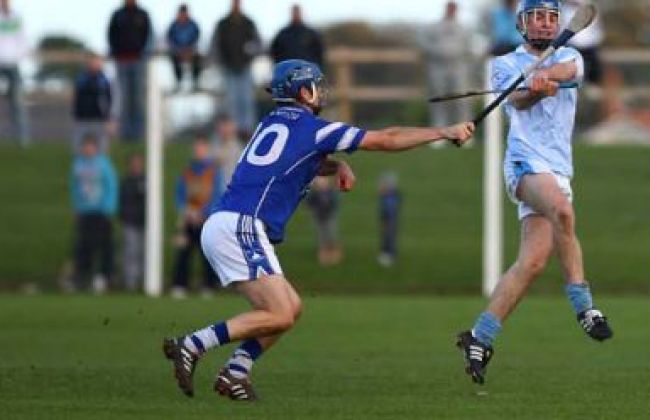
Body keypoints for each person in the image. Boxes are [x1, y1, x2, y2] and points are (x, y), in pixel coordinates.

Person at [162, 58, 473, 401]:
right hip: (241, 225)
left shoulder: (270, 123)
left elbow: (298, 160)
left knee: (290, 308)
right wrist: (442, 132)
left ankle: (236, 372)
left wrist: (336, 164)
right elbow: (386, 138)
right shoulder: (315, 128)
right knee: (278, 312)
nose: (322, 92)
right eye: (316, 85)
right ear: (303, 91)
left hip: (227, 223)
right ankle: (192, 344)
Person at [456, 0, 612, 386]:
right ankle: (584, 306)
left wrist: (548, 77)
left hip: (560, 168)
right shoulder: (503, 64)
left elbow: (566, 73)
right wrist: (532, 89)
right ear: (521, 24)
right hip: (525, 163)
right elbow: (520, 103)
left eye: (550, 18)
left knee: (532, 264)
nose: (544, 23)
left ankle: (479, 337)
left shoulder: (572, 56)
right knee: (561, 210)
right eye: (536, 18)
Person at [171, 135, 224, 298]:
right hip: (189, 218)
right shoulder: (187, 172)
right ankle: (180, 284)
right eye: (196, 148)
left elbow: (216, 195)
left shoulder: (213, 172)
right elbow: (179, 194)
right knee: (183, 252)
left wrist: (203, 212)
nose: (198, 151)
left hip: (205, 219)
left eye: (201, 148)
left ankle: (208, 285)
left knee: (207, 253)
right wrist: (185, 210)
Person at [70, 133, 118, 293]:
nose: (88, 149)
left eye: (90, 146)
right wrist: (77, 207)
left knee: (104, 245)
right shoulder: (78, 164)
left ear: (96, 148)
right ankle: (83, 277)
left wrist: (109, 207)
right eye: (85, 146)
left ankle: (104, 277)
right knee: (84, 246)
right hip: (85, 211)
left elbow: (111, 185)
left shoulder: (103, 164)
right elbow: (74, 187)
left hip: (101, 211)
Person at [420, 0, 475, 140]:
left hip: (458, 66)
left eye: (453, 8)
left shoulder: (463, 28)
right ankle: (437, 134)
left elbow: (470, 45)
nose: (451, 11)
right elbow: (424, 43)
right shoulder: (434, 27)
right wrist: (438, 51)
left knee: (462, 99)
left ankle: (465, 132)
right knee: (439, 99)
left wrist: (460, 52)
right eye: (449, 8)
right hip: (438, 66)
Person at [210, 0, 261, 134]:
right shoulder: (223, 23)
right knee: (231, 101)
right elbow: (215, 45)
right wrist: (220, 62)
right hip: (228, 68)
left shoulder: (248, 23)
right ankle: (234, 130)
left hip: (245, 67)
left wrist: (250, 56)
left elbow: (258, 43)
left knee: (246, 100)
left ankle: (247, 130)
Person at [107, 0, 152, 141]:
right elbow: (111, 35)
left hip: (138, 61)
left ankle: (138, 134)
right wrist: (116, 51)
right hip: (122, 61)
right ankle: (125, 134)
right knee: (124, 99)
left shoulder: (142, 15)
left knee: (138, 99)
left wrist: (141, 53)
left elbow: (147, 36)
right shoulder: (118, 15)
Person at [0, 0, 30, 145]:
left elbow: (23, 40)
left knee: (17, 103)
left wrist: (18, 57)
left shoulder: (17, 18)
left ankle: (22, 141)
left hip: (13, 65)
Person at [561, 0, 604, 85]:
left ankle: (593, 85)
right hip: (570, 45)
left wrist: (593, 41)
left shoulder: (590, 11)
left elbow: (597, 30)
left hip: (589, 46)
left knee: (594, 67)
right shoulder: (563, 11)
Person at [72, 52, 113, 152]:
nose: (95, 64)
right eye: (92, 62)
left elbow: (109, 100)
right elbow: (77, 98)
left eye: (97, 62)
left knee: (101, 148)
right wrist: (76, 114)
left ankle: (101, 167)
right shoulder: (81, 78)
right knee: (79, 147)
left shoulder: (104, 80)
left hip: (99, 119)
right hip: (82, 118)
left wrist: (109, 118)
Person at [119, 152, 146, 291]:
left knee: (143, 252)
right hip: (130, 222)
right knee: (130, 252)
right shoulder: (126, 182)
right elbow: (122, 202)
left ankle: (143, 281)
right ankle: (131, 283)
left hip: (145, 223)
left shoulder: (147, 181)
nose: (136, 166)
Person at [270, 4, 325, 69]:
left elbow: (319, 53)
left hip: (308, 72)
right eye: (294, 12)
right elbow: (274, 52)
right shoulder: (283, 34)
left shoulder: (311, 33)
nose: (296, 15)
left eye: (297, 12)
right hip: (288, 72)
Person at [305, 176, 342, 265]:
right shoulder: (315, 193)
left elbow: (335, 203)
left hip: (329, 217)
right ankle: (324, 254)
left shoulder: (331, 192)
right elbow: (309, 203)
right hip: (319, 217)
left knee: (331, 234)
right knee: (322, 236)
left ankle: (334, 253)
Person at [166, 4, 202, 92]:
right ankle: (178, 82)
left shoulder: (193, 25)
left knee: (198, 58)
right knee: (174, 58)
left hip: (191, 51)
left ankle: (195, 82)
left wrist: (190, 49)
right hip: (177, 52)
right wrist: (178, 50)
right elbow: (170, 40)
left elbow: (197, 39)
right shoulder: (173, 26)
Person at [212, 113, 244, 187]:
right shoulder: (216, 147)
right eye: (221, 127)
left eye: (226, 126)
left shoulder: (240, 146)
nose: (224, 130)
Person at [377, 171, 401, 267]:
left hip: (389, 222)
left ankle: (388, 256)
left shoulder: (389, 199)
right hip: (390, 221)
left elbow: (388, 212)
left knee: (388, 238)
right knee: (388, 237)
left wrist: (385, 222)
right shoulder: (391, 197)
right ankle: (388, 255)